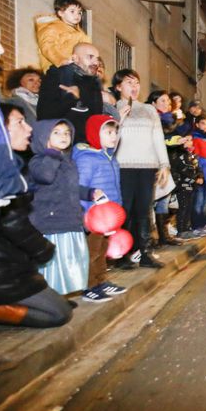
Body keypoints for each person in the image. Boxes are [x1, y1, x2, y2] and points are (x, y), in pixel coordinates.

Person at [0, 104, 73, 327]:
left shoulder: (14, 164)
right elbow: (11, 222)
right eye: (19, 122)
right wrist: (43, 249)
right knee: (58, 314)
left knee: (62, 307)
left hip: (12, 264)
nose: (29, 128)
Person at [28, 118, 106, 301]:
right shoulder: (38, 161)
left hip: (70, 218)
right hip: (51, 222)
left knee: (69, 264)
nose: (63, 136)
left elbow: (70, 187)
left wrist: (89, 193)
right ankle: (51, 298)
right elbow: (46, 177)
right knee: (53, 266)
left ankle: (62, 297)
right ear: (42, 137)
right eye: (56, 132)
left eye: (66, 132)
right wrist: (52, 154)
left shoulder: (68, 161)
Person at [113, 69, 170, 267]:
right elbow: (109, 138)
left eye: (136, 82)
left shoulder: (149, 110)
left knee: (144, 210)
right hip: (123, 166)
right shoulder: (111, 107)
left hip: (147, 167)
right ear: (118, 87)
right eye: (129, 83)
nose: (134, 87)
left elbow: (157, 138)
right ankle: (121, 254)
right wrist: (118, 118)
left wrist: (164, 164)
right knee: (124, 210)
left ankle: (145, 252)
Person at [73, 114, 126, 299]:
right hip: (94, 216)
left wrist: (118, 207)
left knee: (103, 251)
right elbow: (80, 187)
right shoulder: (87, 159)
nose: (114, 136)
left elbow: (115, 187)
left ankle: (101, 281)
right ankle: (89, 287)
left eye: (116, 132)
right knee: (92, 252)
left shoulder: (111, 158)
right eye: (109, 132)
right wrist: (84, 216)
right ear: (95, 133)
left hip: (108, 216)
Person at [37, 42, 104, 144]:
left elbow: (95, 119)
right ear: (75, 58)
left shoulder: (94, 85)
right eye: (90, 57)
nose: (96, 63)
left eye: (97, 59)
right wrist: (71, 98)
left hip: (84, 148)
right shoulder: (56, 77)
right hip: (59, 147)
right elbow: (45, 115)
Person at [146, 90, 181, 248]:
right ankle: (150, 237)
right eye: (162, 101)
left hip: (167, 165)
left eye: (168, 101)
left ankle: (163, 235)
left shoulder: (170, 119)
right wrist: (177, 140)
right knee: (151, 202)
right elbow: (161, 141)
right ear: (153, 103)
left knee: (165, 200)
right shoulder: (152, 119)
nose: (166, 103)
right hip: (153, 164)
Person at [35, 0, 92, 71]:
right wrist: (61, 60)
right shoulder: (52, 28)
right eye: (72, 11)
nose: (77, 15)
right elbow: (47, 47)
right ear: (61, 13)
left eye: (79, 12)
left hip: (74, 68)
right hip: (56, 67)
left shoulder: (80, 34)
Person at [170, 134, 202, 240]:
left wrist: (199, 176)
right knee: (183, 208)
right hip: (182, 184)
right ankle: (181, 231)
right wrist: (194, 178)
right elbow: (181, 169)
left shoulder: (191, 154)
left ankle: (187, 229)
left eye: (191, 140)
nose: (190, 142)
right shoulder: (179, 154)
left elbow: (197, 167)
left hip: (191, 184)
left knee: (188, 207)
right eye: (187, 140)